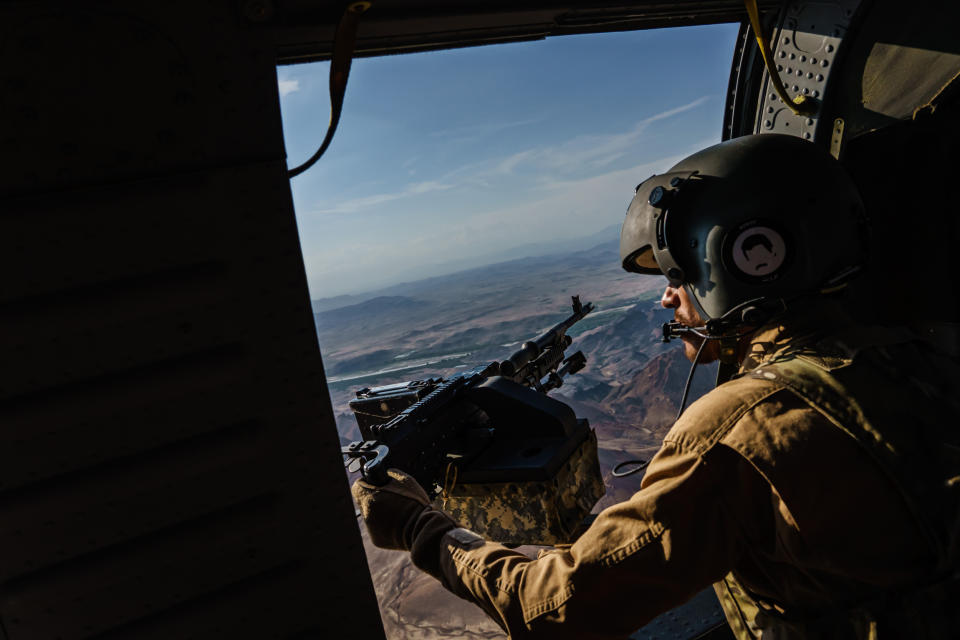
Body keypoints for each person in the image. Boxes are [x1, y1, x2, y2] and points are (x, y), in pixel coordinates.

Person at [352, 134, 960, 639]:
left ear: (750, 255)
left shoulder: (738, 430)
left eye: (677, 273)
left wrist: (419, 527)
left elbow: (557, 608)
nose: (668, 296)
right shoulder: (919, 354)